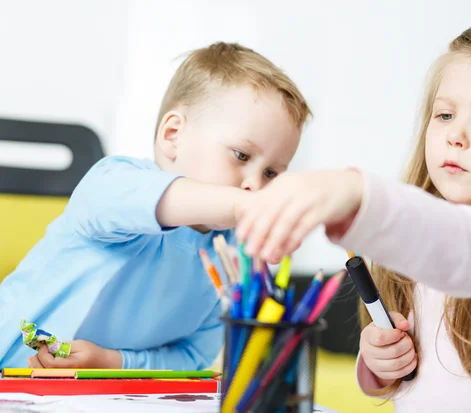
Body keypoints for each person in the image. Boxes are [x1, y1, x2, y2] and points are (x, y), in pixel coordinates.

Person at [236, 21, 471, 412]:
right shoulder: (436, 228)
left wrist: (356, 194)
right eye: (444, 115)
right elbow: (418, 384)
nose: (455, 135)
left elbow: (470, 250)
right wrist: (380, 364)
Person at [0, 42, 311, 371]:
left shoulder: (231, 261)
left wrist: (112, 362)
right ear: (173, 134)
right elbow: (154, 199)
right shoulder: (114, 182)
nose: (255, 185)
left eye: (271, 173)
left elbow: (192, 357)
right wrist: (243, 206)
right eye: (241, 155)